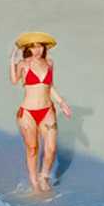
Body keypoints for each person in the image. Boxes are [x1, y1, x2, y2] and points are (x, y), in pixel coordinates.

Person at [11, 30, 70, 196]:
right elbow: (14, 80)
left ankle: (43, 176)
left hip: (47, 111)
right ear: (29, 49)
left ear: (44, 48)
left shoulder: (49, 63)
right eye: (33, 47)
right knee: (32, 148)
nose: (37, 50)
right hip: (28, 112)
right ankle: (34, 182)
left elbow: (49, 87)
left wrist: (62, 103)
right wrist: (12, 61)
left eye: (40, 47)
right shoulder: (24, 64)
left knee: (50, 149)